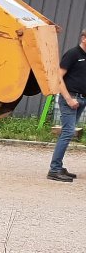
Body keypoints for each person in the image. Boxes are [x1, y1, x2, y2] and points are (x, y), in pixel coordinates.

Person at [48, 29, 86, 182]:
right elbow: (58, 77)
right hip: (70, 99)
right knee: (68, 132)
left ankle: (59, 166)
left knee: (68, 132)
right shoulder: (73, 54)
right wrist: (69, 99)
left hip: (81, 100)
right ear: (84, 38)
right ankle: (54, 170)